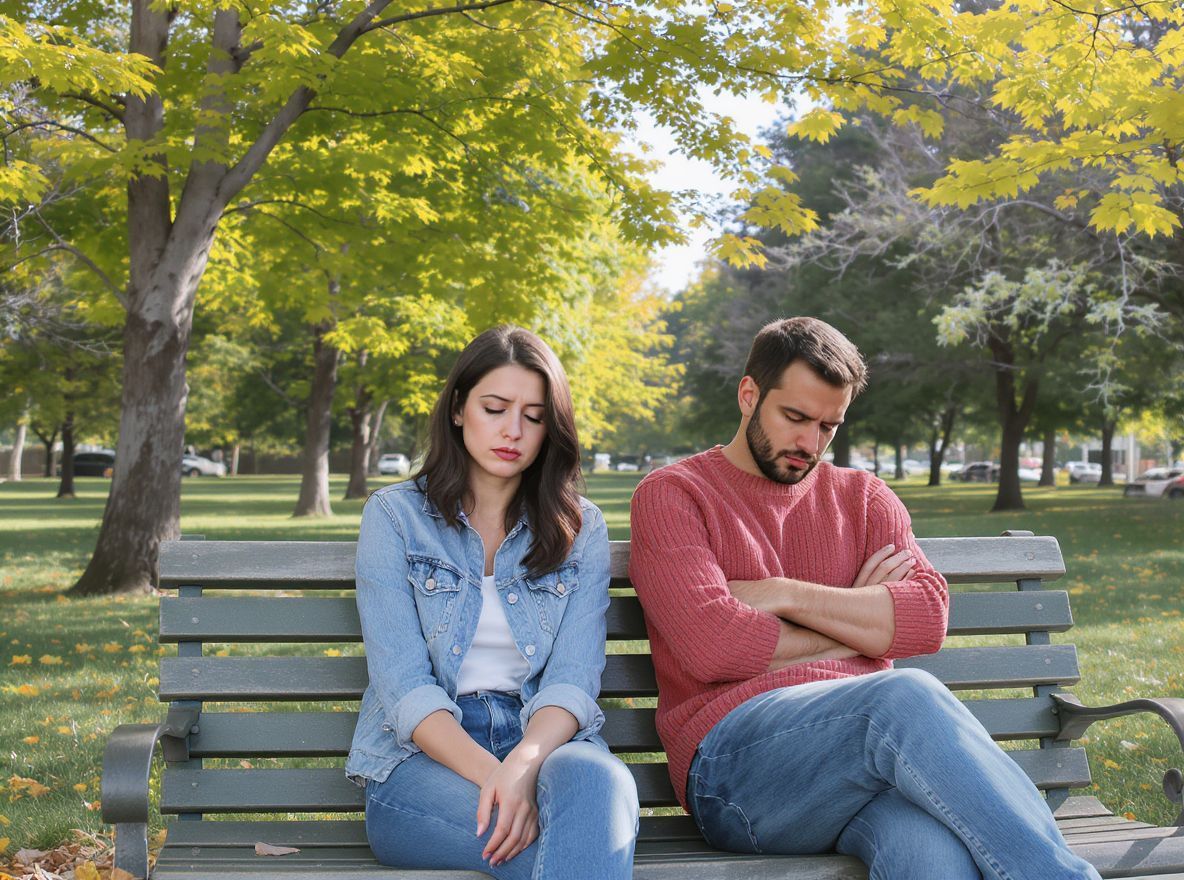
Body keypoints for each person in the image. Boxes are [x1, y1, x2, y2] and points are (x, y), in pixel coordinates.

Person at [628, 317, 1100, 879]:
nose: (810, 444)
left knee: (932, 857)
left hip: (866, 773)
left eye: (828, 426)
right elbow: (715, 647)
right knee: (903, 694)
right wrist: (861, 622)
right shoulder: (674, 495)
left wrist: (784, 594)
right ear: (749, 394)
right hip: (737, 775)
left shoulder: (865, 498)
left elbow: (926, 619)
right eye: (795, 418)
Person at [348, 325, 638, 879]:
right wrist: (496, 777)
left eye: (534, 416)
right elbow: (404, 686)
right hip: (422, 760)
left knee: (600, 785)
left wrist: (524, 762)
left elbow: (573, 677)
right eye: (495, 408)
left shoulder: (581, 527)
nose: (513, 430)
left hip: (547, 742)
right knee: (571, 844)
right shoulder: (394, 517)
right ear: (459, 409)